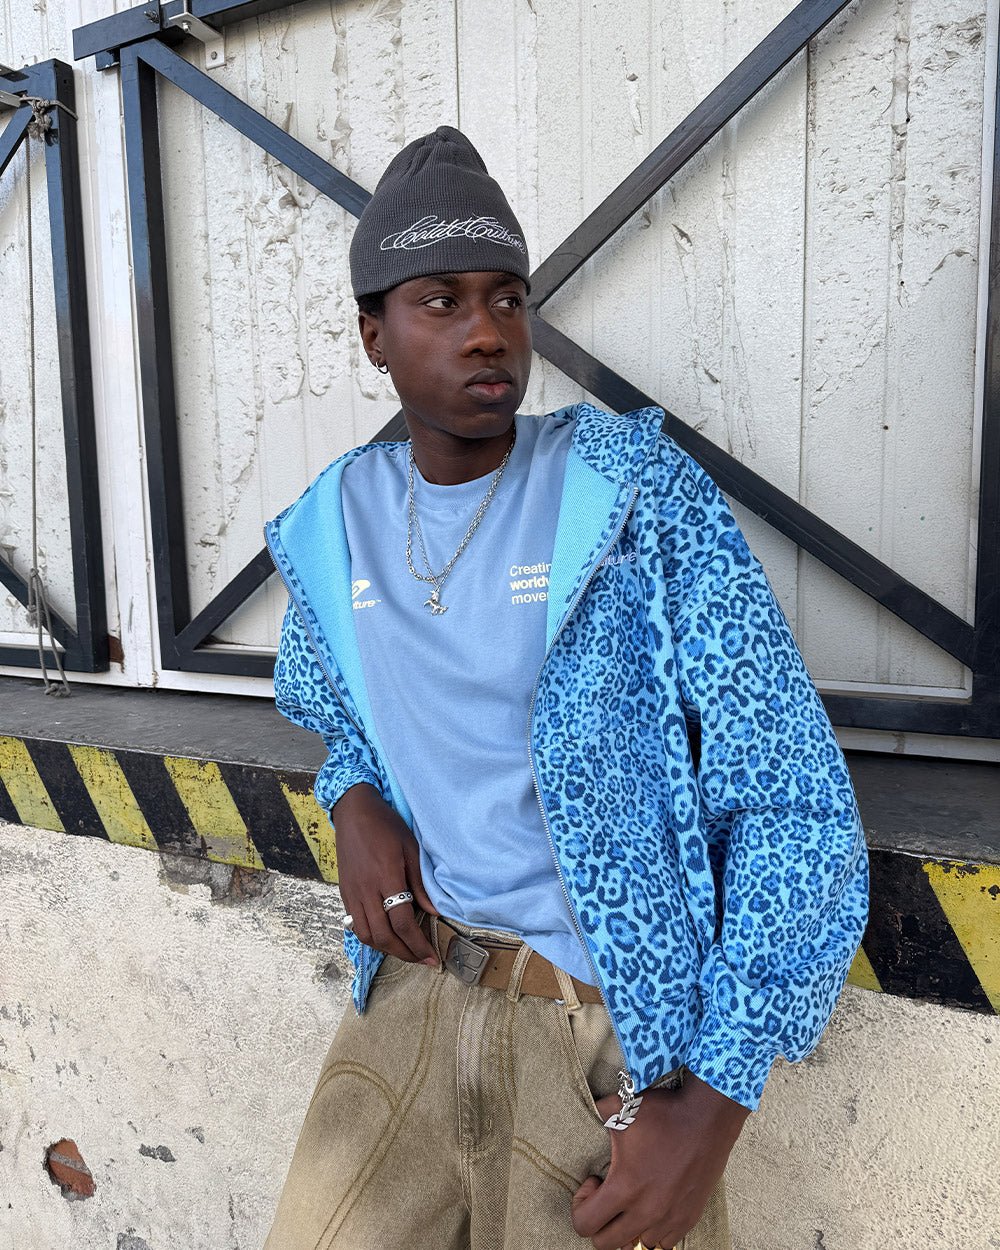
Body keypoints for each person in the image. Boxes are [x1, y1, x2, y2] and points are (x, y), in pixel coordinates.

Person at [262, 126, 868, 1250]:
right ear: (373, 335)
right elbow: (330, 702)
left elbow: (793, 799)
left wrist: (714, 1101)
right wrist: (352, 797)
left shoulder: (634, 496)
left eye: (508, 297)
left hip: (598, 1048)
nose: (487, 331)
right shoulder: (332, 520)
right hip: (408, 998)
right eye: (440, 300)